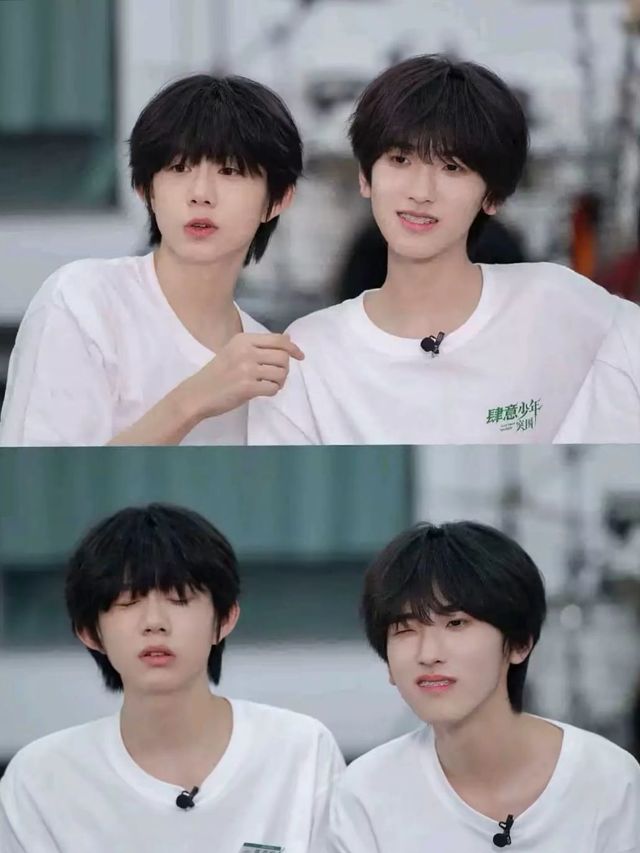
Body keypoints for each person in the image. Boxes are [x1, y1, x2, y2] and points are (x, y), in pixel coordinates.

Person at [249, 54, 640, 445]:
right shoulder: (311, 352)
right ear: (366, 177)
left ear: (492, 196)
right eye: (400, 159)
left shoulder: (555, 303)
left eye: (452, 167)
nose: (421, 192)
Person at [0, 504, 344, 852]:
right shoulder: (41, 779)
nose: (154, 622)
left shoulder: (301, 750)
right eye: (128, 602)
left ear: (225, 619)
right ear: (90, 632)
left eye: (179, 599)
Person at [0, 74, 304, 446]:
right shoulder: (84, 301)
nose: (200, 194)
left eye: (229, 171)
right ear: (145, 189)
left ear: (278, 200)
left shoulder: (269, 363)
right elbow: (41, 467)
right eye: (179, 168)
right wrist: (193, 400)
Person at [328, 521, 640, 852]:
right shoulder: (366, 793)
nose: (428, 654)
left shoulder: (608, 779)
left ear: (519, 643)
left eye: (456, 623)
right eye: (405, 629)